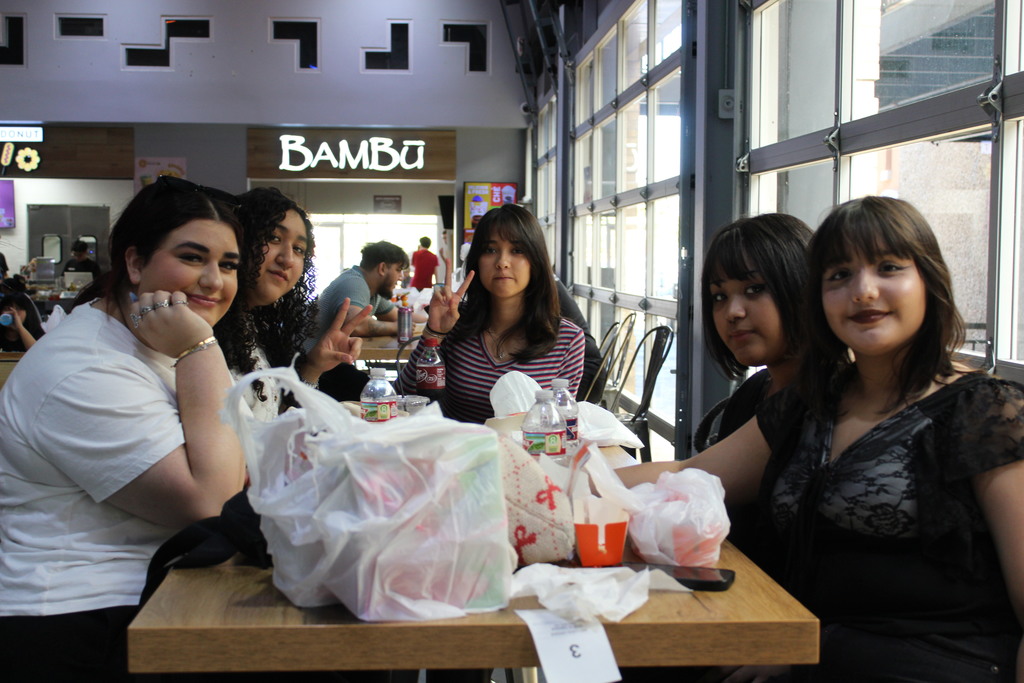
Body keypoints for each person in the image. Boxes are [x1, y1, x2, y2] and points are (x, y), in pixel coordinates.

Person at [619, 197, 1024, 682]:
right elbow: (687, 474)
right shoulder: (809, 404)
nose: (863, 291)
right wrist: (547, 482)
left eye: (889, 267)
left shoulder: (984, 410)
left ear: (929, 282)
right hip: (812, 651)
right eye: (839, 276)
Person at [0, 175, 248, 681]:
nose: (214, 281)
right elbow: (212, 502)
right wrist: (201, 349)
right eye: (193, 257)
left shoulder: (149, 344)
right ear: (134, 262)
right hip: (81, 618)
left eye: (228, 265)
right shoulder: (83, 367)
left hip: (162, 590)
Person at [398, 204, 585, 423]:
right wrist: (434, 334)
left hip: (526, 454)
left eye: (517, 250)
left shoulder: (567, 340)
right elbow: (406, 398)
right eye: (490, 250)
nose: (502, 263)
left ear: (535, 261)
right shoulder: (456, 322)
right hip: (456, 452)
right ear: (477, 260)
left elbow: (561, 424)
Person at [215, 187, 370, 420]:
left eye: (298, 249)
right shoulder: (203, 330)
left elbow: (279, 417)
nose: (287, 259)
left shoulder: (257, 326)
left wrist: (314, 367)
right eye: (273, 237)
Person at [694, 214, 813, 450]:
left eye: (754, 289)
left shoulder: (835, 405)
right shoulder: (752, 393)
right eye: (719, 296)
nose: (733, 312)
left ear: (802, 286)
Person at [312, 240, 408, 339]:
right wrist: (398, 327)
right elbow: (356, 326)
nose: (401, 277)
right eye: (398, 270)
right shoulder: (353, 282)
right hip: (306, 353)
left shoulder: (373, 291)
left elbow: (402, 317)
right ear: (382, 268)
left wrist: (423, 319)